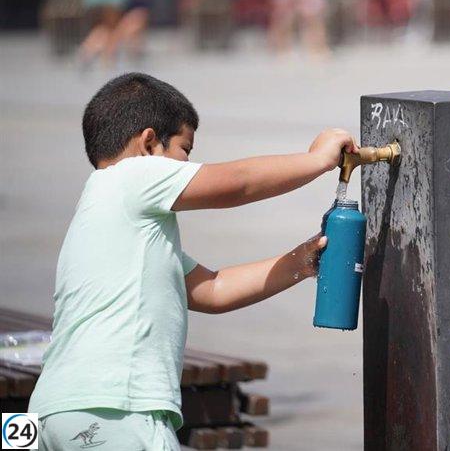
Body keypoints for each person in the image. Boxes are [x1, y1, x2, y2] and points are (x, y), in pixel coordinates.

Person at [28, 73, 358, 449]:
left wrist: (301, 262)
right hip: (116, 408)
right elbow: (237, 183)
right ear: (148, 144)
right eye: (185, 150)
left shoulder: (114, 222)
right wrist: (316, 161)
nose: (190, 163)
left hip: (48, 412)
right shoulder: (132, 175)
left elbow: (213, 289)